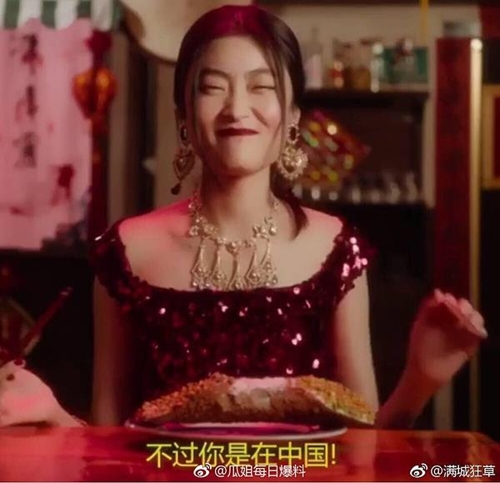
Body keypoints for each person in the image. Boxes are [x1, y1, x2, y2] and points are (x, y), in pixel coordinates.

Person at [0, 5, 487, 429]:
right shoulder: (126, 250)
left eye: (262, 87)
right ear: (184, 115)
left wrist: (421, 378)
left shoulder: (336, 248)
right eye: (213, 88)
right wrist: (53, 414)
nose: (237, 108)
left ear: (292, 115)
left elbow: (365, 448)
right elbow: (107, 445)